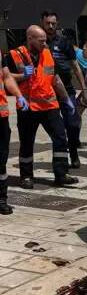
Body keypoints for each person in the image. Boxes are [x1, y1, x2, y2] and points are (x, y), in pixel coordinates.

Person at [7, 25, 77, 189]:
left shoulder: (47, 53)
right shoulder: (15, 55)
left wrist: (66, 100)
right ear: (30, 39)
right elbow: (6, 79)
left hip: (49, 105)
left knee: (60, 138)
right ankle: (26, 176)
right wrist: (23, 75)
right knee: (26, 142)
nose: (45, 44)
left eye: (46, 41)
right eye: (41, 41)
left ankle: (61, 174)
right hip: (28, 107)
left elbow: (55, 78)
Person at [41, 12, 87, 169]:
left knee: (73, 123)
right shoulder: (38, 42)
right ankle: (61, 161)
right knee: (57, 129)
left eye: (53, 23)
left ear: (57, 23)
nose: (51, 26)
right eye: (48, 23)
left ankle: (73, 151)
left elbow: (75, 66)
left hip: (67, 90)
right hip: (48, 92)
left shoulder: (64, 42)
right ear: (42, 22)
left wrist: (84, 88)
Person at [0, 64, 26, 214]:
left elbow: (7, 77)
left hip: (1, 118)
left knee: (1, 160)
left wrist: (19, 95)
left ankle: (2, 198)